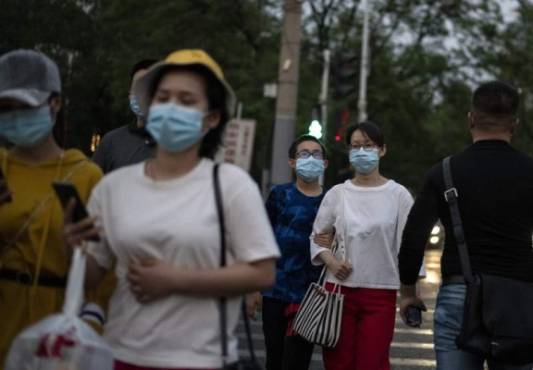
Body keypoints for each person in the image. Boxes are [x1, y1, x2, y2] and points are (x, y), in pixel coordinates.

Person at [63, 49, 280, 370]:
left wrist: (177, 280)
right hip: (121, 355)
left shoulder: (232, 186)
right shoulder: (113, 187)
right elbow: (93, 273)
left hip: (201, 360)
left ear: (212, 117)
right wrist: (73, 247)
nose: (171, 108)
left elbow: (262, 272)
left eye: (187, 100)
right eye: (163, 97)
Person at [398, 81, 533, 370]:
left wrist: (408, 292)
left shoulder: (443, 172)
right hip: (517, 298)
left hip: (460, 294)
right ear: (515, 124)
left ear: (470, 118)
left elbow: (414, 236)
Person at [0, 49, 105, 365]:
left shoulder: (86, 176)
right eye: (6, 108)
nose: (16, 116)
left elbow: (105, 269)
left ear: (54, 103)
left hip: (58, 328)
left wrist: (89, 325)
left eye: (26, 107)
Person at [310, 121, 418, 370]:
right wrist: (332, 262)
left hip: (381, 291)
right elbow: (317, 238)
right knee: (338, 363)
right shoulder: (337, 193)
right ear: (348, 152)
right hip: (336, 291)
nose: (361, 152)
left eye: (368, 146)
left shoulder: (399, 195)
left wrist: (410, 294)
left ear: (382, 150)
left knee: (373, 363)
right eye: (355, 146)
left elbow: (409, 246)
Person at [252, 134, 328, 370]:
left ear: (324, 163)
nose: (310, 159)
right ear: (292, 162)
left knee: (298, 360)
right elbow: (261, 238)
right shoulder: (279, 194)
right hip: (275, 289)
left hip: (310, 294)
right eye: (303, 154)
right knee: (274, 358)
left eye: (316, 154)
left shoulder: (331, 200)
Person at [92, 59, 158, 173]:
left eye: (149, 87)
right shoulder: (111, 142)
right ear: (129, 93)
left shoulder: (177, 144)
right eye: (137, 86)